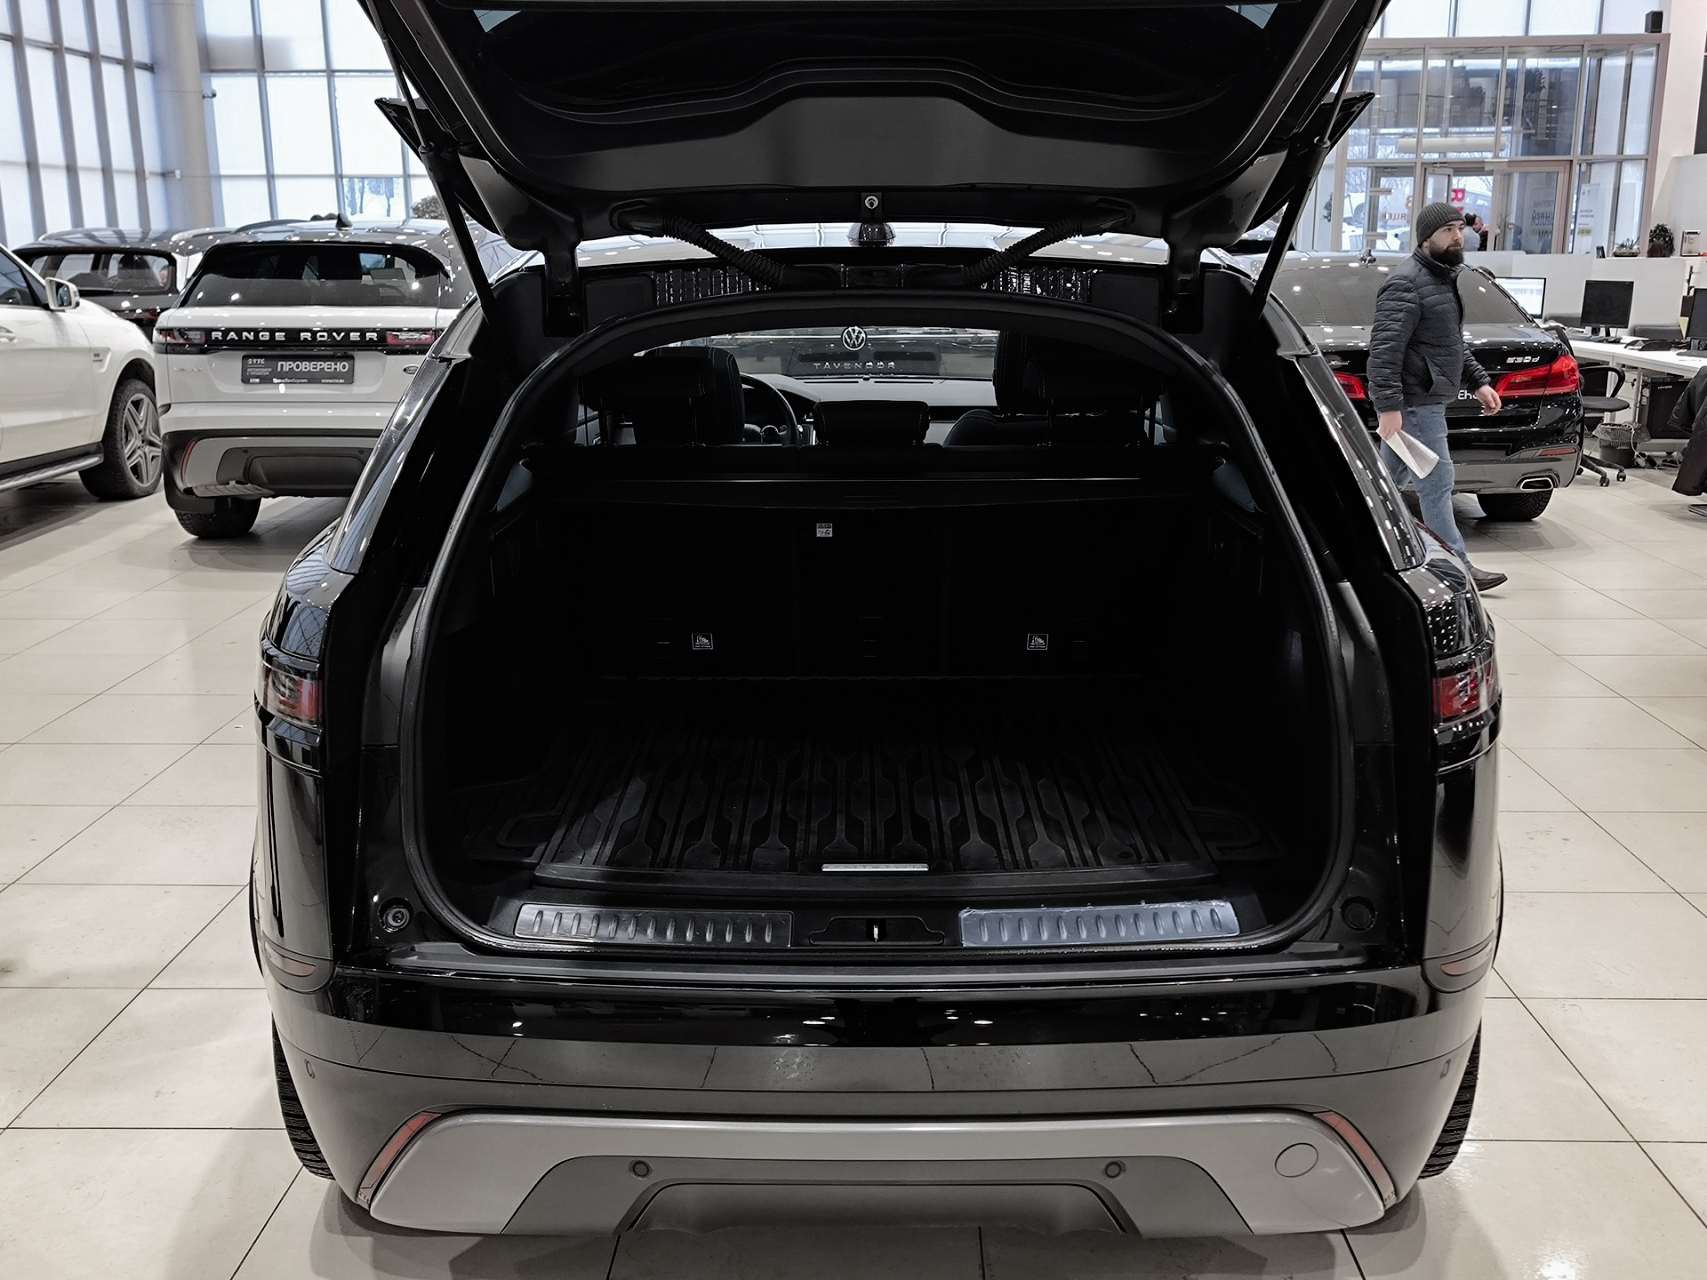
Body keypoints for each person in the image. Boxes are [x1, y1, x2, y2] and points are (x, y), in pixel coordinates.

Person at [1369, 202, 1508, 590]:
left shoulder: (1441, 278)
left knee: (1385, 482)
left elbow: (1449, 343)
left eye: (1460, 228)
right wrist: (1388, 408)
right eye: (1448, 230)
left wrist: (1478, 382)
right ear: (1426, 237)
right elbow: (1384, 352)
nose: (1458, 236)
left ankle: (1357, 543)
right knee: (1436, 482)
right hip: (1415, 403)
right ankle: (1456, 568)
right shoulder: (1407, 282)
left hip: (1425, 400)